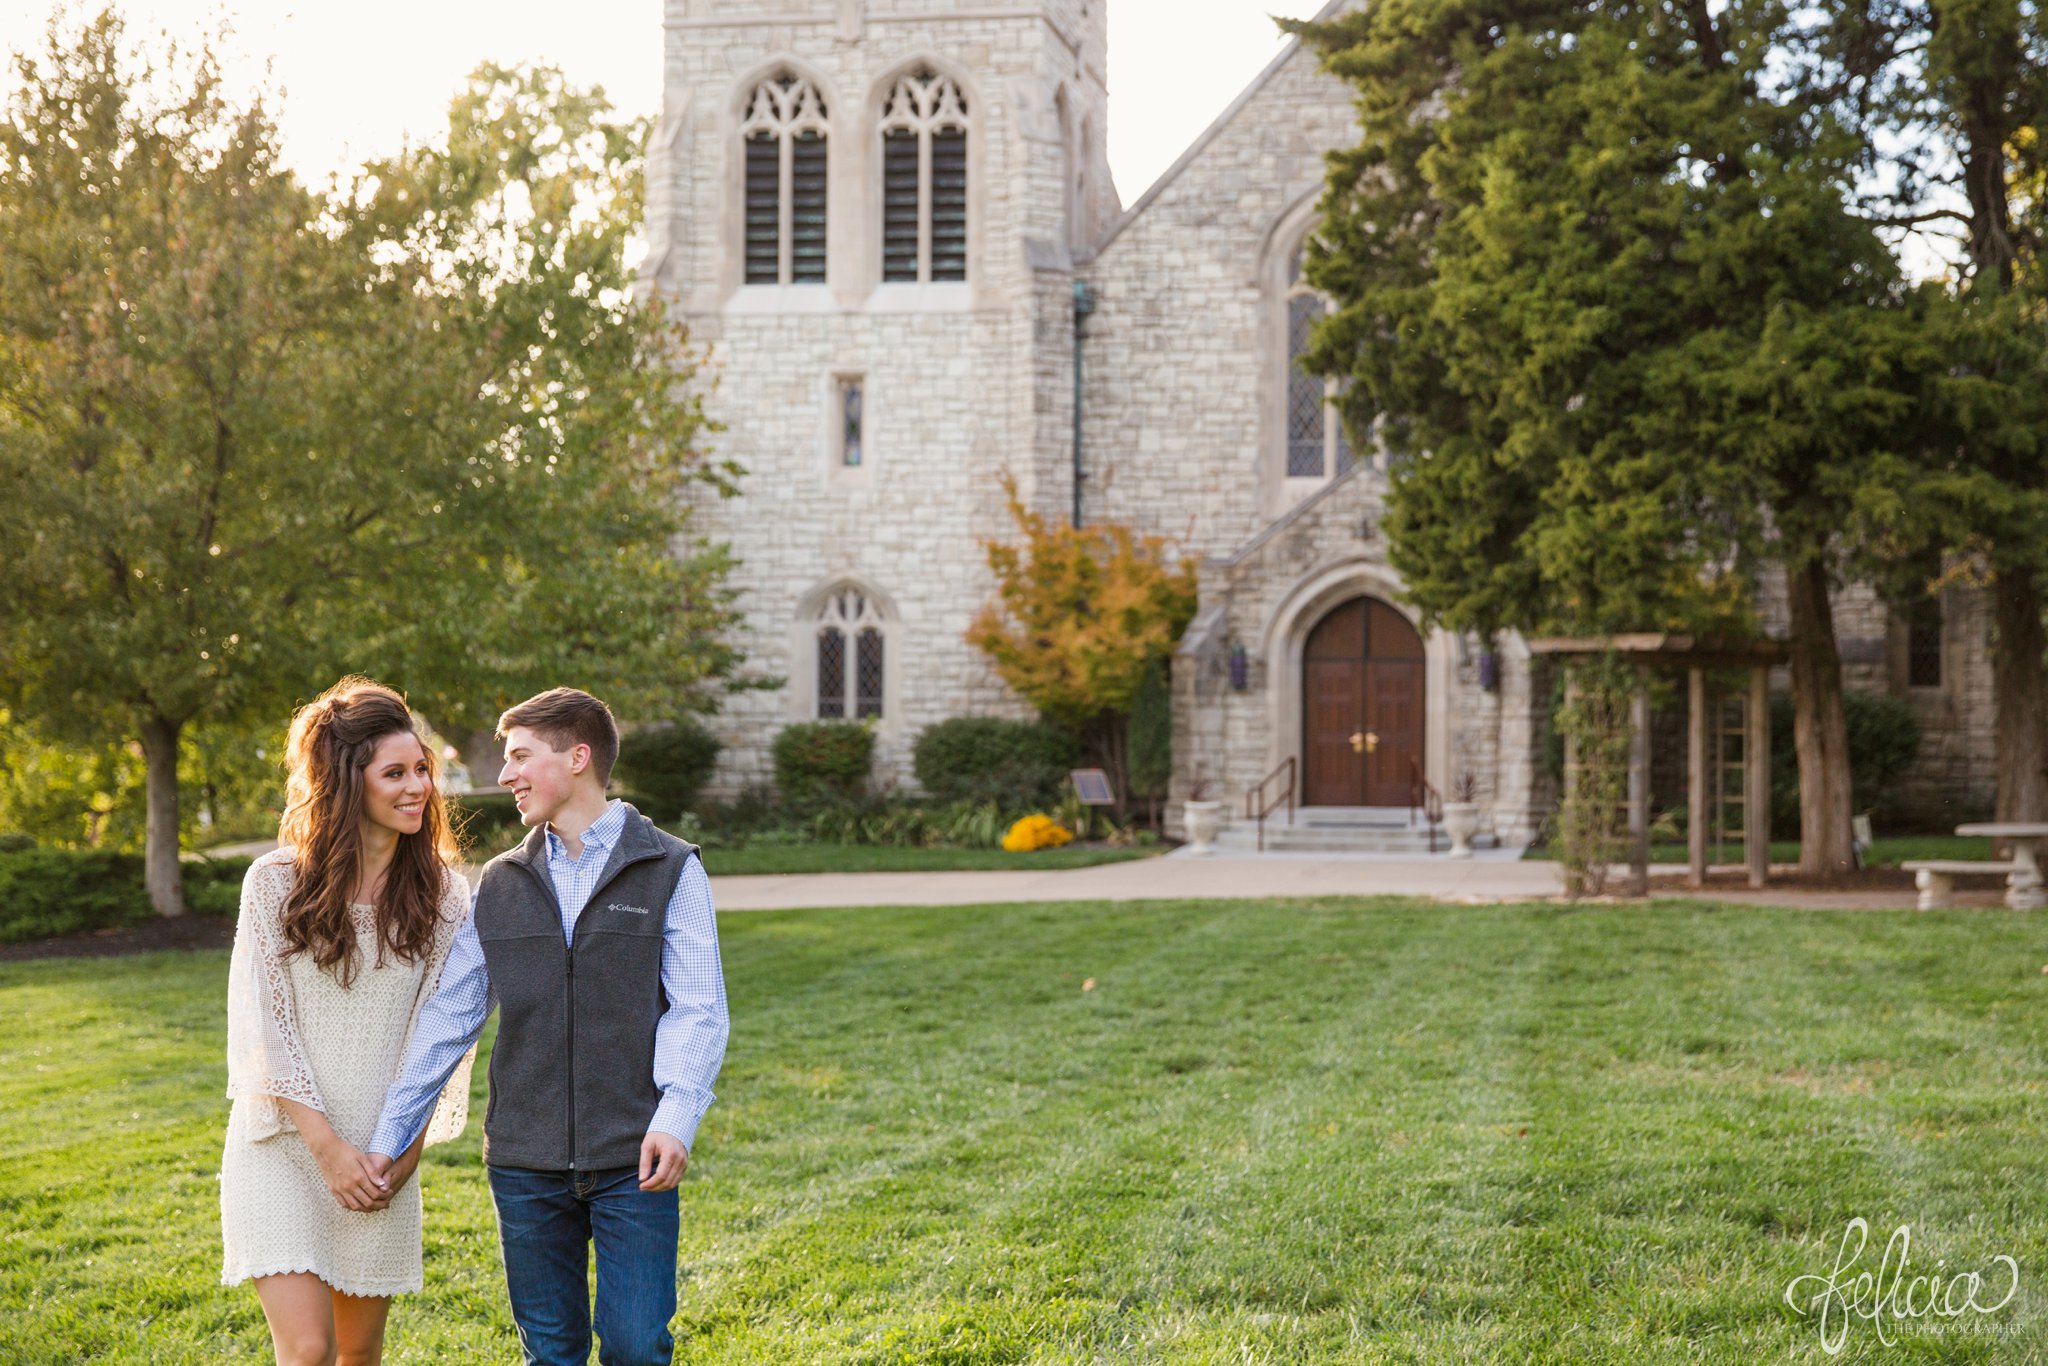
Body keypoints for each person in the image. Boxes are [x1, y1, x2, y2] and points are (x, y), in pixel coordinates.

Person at [367, 687, 729, 1366]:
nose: (505, 776)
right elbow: (451, 1018)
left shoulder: (670, 868)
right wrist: (387, 1141)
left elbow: (699, 1008)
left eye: (521, 756)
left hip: (634, 1157)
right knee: (551, 1353)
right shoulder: (500, 884)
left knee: (635, 1346)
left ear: (578, 758)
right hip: (525, 1163)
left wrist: (676, 1117)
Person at [220, 678, 475, 1366]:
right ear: (345, 780)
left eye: (422, 769)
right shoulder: (275, 883)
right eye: (395, 773)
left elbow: (441, 1038)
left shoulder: (446, 897)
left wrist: (402, 1153)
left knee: (358, 1356)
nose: (418, 786)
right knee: (307, 1350)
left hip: (380, 1151)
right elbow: (266, 1033)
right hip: (284, 1148)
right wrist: (328, 1151)